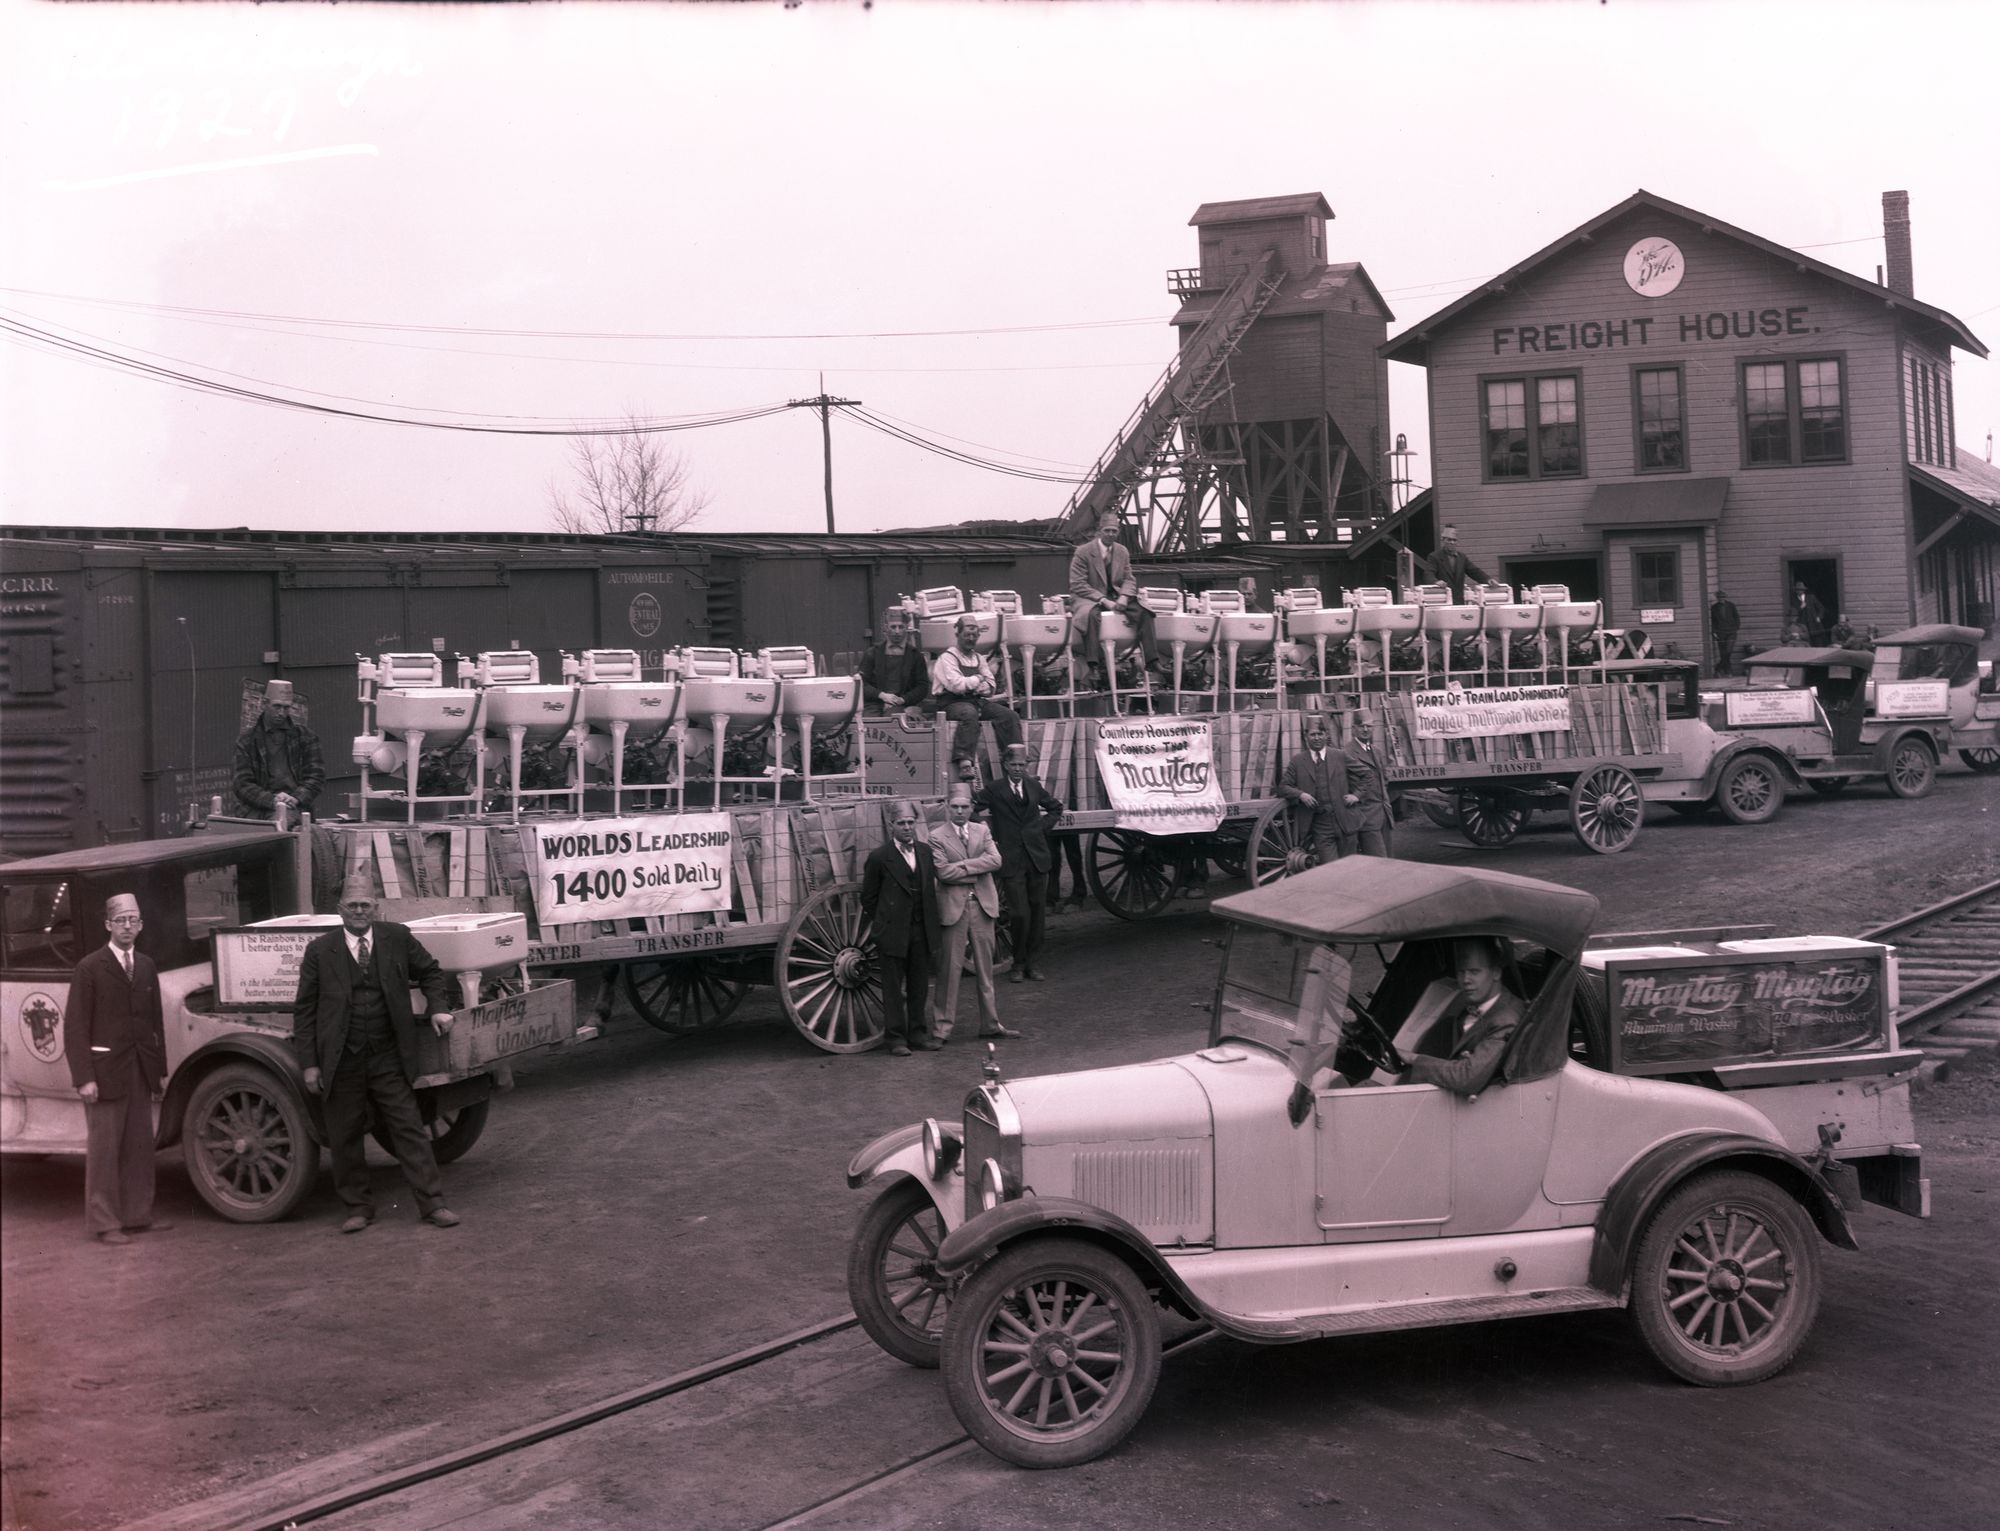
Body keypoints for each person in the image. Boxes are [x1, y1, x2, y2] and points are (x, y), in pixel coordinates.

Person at [294, 875, 460, 1232]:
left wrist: (438, 1007)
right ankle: (358, 1208)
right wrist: (309, 1064)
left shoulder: (396, 938)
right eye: (352, 905)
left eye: (365, 905)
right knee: (345, 1134)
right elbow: (304, 1011)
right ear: (339, 911)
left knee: (409, 1128)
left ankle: (433, 1205)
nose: (359, 911)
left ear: (376, 908)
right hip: (342, 1059)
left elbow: (431, 971)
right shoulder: (320, 951)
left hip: (388, 1054)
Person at [64, 893, 171, 1245]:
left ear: (140, 925)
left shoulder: (145, 965)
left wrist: (158, 1071)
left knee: (139, 1146)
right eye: (121, 920)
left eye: (134, 920)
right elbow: (76, 1027)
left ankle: (137, 1215)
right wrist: (84, 1078)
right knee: (104, 1152)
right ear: (108, 925)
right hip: (104, 1073)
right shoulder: (90, 967)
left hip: (139, 1071)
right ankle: (105, 1223)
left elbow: (155, 1021)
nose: (128, 926)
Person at [928, 783, 1019, 1042]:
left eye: (964, 807)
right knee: (949, 971)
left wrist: (963, 866)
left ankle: (990, 1024)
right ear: (947, 808)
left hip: (982, 906)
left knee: (985, 969)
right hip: (953, 909)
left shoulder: (982, 831)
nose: (959, 811)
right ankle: (941, 1030)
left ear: (971, 808)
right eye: (954, 806)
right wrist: (978, 868)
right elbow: (942, 872)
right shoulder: (936, 835)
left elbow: (996, 861)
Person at [859, 800, 943, 1056]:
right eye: (901, 823)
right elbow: (869, 898)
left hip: (921, 929)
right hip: (893, 931)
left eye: (910, 823)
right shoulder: (879, 858)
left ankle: (918, 1034)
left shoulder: (925, 852)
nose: (907, 828)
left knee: (919, 984)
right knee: (893, 987)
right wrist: (885, 923)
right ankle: (895, 1038)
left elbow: (930, 890)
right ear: (891, 825)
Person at [976, 743, 1065, 983]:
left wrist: (1041, 829)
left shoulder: (1033, 786)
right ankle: (1017, 963)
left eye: (1022, 765)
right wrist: (986, 830)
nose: (1018, 769)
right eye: (1014, 765)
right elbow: (974, 808)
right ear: (1005, 765)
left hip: (1036, 859)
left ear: (1026, 767)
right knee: (1019, 914)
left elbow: (1056, 808)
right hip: (1011, 859)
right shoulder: (994, 789)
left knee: (1037, 913)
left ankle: (1033, 964)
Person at [1399, 937, 1524, 1096]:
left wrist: (1413, 1059)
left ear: (1496, 972)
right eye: (1461, 972)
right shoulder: (1477, 1004)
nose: (1465, 980)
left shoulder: (1505, 1019)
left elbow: (1467, 1079)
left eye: (1474, 972)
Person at [930, 615, 1023, 779]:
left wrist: (977, 684)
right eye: (967, 635)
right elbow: (957, 686)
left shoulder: (979, 658)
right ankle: (965, 762)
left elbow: (991, 686)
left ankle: (1015, 760)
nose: (971, 639)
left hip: (976, 701)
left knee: (1009, 715)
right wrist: (978, 679)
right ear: (958, 634)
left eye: (974, 635)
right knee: (969, 714)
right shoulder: (947, 658)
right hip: (951, 702)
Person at [1068, 512, 1160, 675]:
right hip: (1088, 598)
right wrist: (1103, 600)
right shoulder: (1083, 552)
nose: (1111, 534)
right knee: (1091, 616)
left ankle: (1152, 661)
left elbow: (1129, 578)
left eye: (1114, 531)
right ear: (1099, 531)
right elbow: (1078, 584)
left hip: (1117, 596)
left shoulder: (1122, 551)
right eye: (1107, 530)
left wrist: (1124, 596)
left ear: (1118, 532)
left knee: (1145, 613)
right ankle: (1094, 664)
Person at [232, 679, 325, 821]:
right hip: (255, 809)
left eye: (286, 708)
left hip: (293, 807)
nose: (281, 713)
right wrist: (272, 800)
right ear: (264, 704)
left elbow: (316, 777)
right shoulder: (246, 741)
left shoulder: (306, 738)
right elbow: (241, 783)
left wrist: (295, 798)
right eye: (277, 706)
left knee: (282, 824)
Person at [1278, 717, 1346, 867]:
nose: (1316, 738)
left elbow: (1365, 775)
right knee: (1331, 869)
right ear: (1305, 736)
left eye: (1320, 734)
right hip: (1320, 823)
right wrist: (1301, 794)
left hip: (1344, 820)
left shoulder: (1340, 756)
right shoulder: (1298, 761)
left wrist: (1357, 796)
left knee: (1350, 867)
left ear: (1326, 735)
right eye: (1312, 734)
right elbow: (1283, 786)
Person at [1332, 710, 1393, 858]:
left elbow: (1383, 778)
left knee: (1389, 862)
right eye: (1361, 726)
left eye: (1369, 726)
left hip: (1384, 814)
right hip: (1366, 816)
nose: (1365, 730)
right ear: (1353, 729)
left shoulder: (1377, 751)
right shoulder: (1347, 752)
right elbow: (1341, 784)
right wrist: (1357, 797)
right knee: (1378, 862)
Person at [859, 606, 930, 720]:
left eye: (901, 627)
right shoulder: (872, 653)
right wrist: (882, 696)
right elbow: (861, 683)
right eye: (893, 627)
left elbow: (922, 687)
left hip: (902, 705)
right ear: (886, 628)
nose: (897, 631)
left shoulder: (915, 655)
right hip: (874, 704)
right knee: (869, 725)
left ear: (906, 627)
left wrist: (903, 699)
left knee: (893, 723)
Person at [1429, 525, 1489, 604]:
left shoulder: (1462, 558)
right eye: (1449, 540)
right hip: (1442, 602)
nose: (1452, 542)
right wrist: (1435, 581)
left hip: (1459, 602)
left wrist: (1488, 580)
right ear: (1443, 540)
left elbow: (1475, 572)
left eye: (1454, 540)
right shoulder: (1434, 557)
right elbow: (1428, 573)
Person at [1709, 590, 1741, 675]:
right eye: (1719, 597)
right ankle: (1728, 670)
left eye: (1722, 597)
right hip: (1720, 632)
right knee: (1723, 653)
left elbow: (1736, 617)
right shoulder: (1714, 608)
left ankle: (1718, 667)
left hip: (1731, 632)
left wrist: (1736, 627)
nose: (1721, 599)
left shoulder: (1731, 605)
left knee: (1728, 651)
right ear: (1717, 598)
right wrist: (1714, 632)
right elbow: (1713, 621)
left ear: (1725, 597)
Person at [1788, 582, 1828, 647]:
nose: (1799, 591)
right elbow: (1794, 613)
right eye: (1798, 590)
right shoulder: (1794, 600)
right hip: (1803, 627)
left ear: (1804, 590)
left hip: (1815, 626)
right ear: (1796, 591)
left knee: (1818, 644)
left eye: (1801, 590)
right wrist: (1800, 607)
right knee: (1807, 645)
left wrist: (1819, 617)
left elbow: (1821, 608)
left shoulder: (1811, 597)